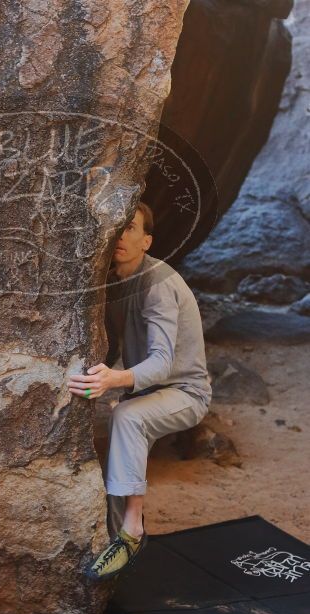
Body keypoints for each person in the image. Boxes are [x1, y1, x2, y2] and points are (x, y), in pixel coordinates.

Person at [67, 201, 212, 581]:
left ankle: (132, 530)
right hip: (145, 392)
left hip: (184, 392)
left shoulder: (159, 284)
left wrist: (113, 380)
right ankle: (119, 545)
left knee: (126, 416)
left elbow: (162, 362)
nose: (122, 235)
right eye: (118, 227)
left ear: (146, 241)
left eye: (131, 228)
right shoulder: (115, 280)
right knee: (119, 434)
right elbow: (111, 348)